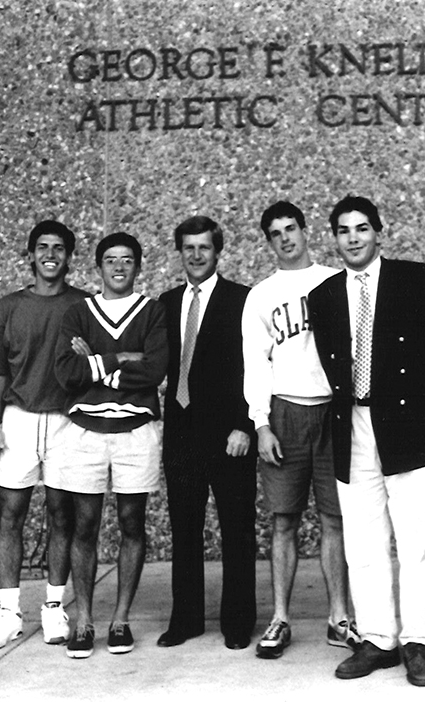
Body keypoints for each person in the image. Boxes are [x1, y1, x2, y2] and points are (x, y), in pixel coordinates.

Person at [308, 196, 425, 687]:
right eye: (343, 230)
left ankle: (419, 642)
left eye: (361, 228)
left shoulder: (415, 279)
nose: (353, 238)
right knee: (363, 540)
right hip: (352, 426)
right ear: (335, 238)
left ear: (379, 232)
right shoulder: (326, 294)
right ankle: (377, 639)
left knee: (416, 540)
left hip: (409, 427)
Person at [242, 201, 358, 660]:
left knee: (335, 519)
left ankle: (339, 616)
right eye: (276, 233)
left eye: (292, 228)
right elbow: (255, 363)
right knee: (284, 520)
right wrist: (261, 423)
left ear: (307, 231)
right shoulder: (261, 294)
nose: (286, 238)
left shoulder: (334, 280)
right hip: (286, 412)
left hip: (333, 412)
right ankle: (280, 618)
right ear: (268, 241)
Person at [53, 232, 168, 659]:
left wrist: (95, 364)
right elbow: (66, 373)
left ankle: (120, 620)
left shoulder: (152, 311)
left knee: (131, 522)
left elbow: (155, 369)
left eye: (127, 260)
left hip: (136, 431)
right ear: (98, 267)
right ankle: (83, 621)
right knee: (84, 524)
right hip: (85, 431)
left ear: (138, 266)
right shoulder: (78, 312)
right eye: (110, 260)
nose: (118, 267)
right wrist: (121, 358)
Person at [0, 220, 89, 651]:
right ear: (30, 254)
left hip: (66, 420)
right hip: (19, 418)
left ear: (68, 256)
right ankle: (9, 613)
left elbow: (94, 367)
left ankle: (54, 607)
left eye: (59, 248)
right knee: (12, 514)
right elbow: (1, 373)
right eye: (42, 247)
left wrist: (90, 355)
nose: (50, 255)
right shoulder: (7, 307)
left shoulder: (84, 305)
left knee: (62, 514)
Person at [157, 216, 258, 651]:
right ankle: (187, 619)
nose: (196, 255)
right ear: (179, 253)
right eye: (188, 248)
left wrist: (245, 423)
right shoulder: (167, 301)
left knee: (236, 528)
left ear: (218, 252)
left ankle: (237, 621)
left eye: (204, 247)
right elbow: (154, 359)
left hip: (229, 434)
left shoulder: (242, 299)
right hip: (181, 431)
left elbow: (256, 366)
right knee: (185, 527)